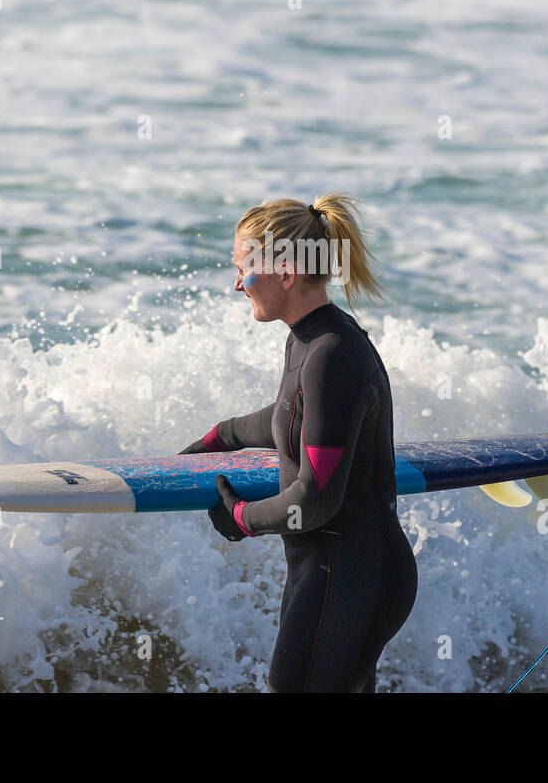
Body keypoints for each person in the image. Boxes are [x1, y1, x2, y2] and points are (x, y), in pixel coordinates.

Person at [178, 193, 417, 693]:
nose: (236, 283)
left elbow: (315, 500)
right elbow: (289, 420)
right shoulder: (313, 341)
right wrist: (220, 436)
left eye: (244, 267)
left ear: (286, 272)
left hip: (348, 578)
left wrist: (242, 517)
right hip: (342, 573)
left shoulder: (332, 355)